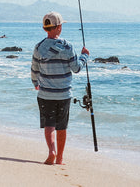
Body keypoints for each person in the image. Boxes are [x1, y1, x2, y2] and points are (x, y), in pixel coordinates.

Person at [31, 11, 89, 165]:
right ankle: (60, 158)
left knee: (49, 125)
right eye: (61, 25)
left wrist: (35, 83)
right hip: (64, 94)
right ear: (58, 28)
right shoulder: (67, 46)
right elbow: (76, 68)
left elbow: (34, 69)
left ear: (45, 28)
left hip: (45, 94)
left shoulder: (38, 47)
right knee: (61, 127)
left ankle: (51, 150)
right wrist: (84, 56)